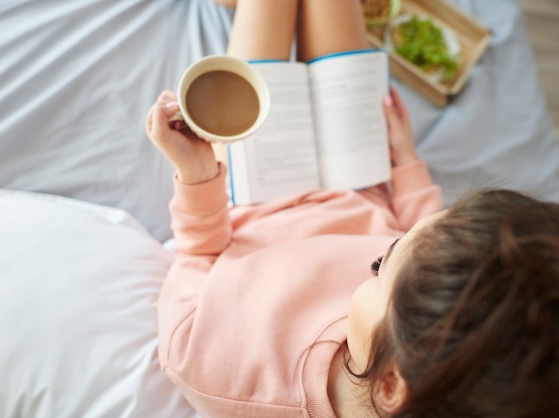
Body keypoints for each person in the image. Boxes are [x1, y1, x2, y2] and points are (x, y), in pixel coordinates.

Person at [145, 0, 559, 417]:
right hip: (359, 176)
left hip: (255, 185)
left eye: (379, 264)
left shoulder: (214, 366)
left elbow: (198, 254)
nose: (379, 255)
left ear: (391, 386)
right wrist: (406, 164)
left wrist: (198, 176)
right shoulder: (417, 316)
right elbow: (424, 240)